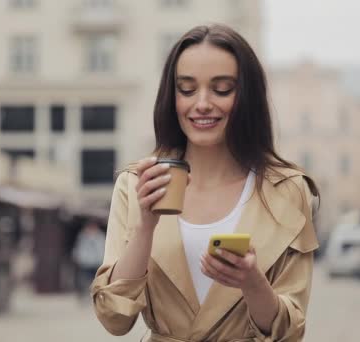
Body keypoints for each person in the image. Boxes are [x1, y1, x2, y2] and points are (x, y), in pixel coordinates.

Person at [91, 24, 319, 342]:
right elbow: (114, 318)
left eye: (222, 89)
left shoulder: (289, 191)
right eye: (186, 89)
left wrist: (252, 282)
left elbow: (290, 333)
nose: (202, 103)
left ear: (247, 97)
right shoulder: (137, 184)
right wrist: (145, 228)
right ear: (172, 97)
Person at [72, 221, 106, 300]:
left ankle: (96, 296)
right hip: (85, 262)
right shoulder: (82, 236)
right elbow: (79, 248)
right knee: (84, 280)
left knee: (97, 281)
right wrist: (78, 257)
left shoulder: (100, 236)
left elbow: (102, 248)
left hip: (97, 262)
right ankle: (84, 296)